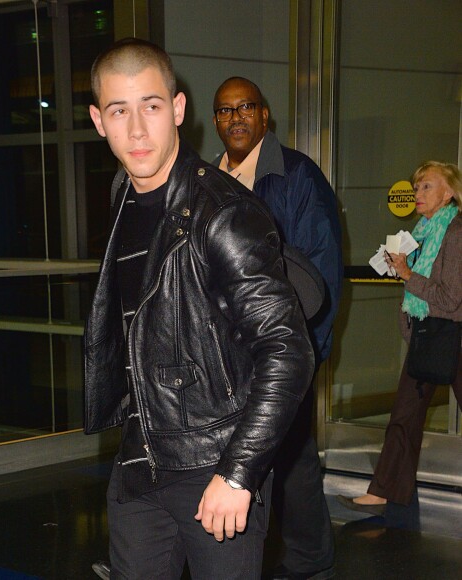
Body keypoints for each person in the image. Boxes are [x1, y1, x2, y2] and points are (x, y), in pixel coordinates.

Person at [85, 38, 315, 579]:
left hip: (216, 462)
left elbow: (288, 349)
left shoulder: (224, 214)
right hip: (142, 460)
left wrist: (239, 473)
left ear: (179, 109)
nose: (137, 129)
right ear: (99, 120)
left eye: (152, 106)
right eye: (119, 110)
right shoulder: (124, 194)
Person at [212, 77, 343, 580]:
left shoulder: (297, 177)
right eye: (225, 111)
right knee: (240, 452)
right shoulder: (208, 180)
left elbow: (321, 270)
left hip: (284, 344)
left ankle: (310, 559)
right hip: (227, 346)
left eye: (246, 107)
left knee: (289, 453)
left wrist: (309, 349)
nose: (236, 117)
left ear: (265, 116)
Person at [338, 161, 462, 514]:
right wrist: (402, 271)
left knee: (404, 415)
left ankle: (384, 490)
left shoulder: (455, 232)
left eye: (427, 187)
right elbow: (426, 287)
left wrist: (408, 274)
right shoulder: (423, 233)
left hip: (453, 337)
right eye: (417, 186)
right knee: (404, 416)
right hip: (429, 335)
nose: (417, 193)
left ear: (449, 192)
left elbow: (451, 297)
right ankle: (384, 491)